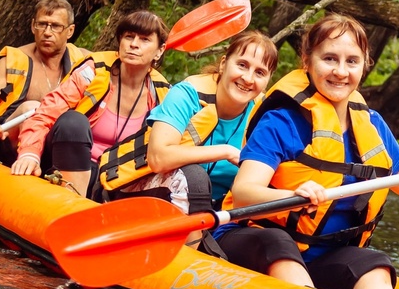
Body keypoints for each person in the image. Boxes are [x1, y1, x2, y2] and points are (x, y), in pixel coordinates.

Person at [213, 14, 399, 289]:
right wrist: (294, 194)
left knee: (373, 263)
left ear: (364, 65)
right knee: (278, 243)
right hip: (257, 241)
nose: (341, 72)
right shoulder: (281, 121)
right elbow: (243, 194)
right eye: (329, 59)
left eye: (351, 61)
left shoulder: (372, 124)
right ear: (307, 61)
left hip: (323, 256)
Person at [97, 31, 278, 214]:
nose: (248, 78)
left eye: (260, 73)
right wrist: (225, 152)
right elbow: (158, 158)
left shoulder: (265, 114)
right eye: (242, 65)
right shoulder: (187, 94)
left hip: (216, 209)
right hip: (141, 187)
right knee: (194, 179)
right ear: (223, 64)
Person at [10, 10, 171, 199]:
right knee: (73, 122)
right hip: (66, 162)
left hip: (116, 178)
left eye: (144, 39)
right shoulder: (93, 72)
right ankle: (69, 201)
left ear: (159, 51)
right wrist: (30, 153)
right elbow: (46, 113)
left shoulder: (163, 94)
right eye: (129, 36)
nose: (134, 44)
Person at [0, 0, 88, 164]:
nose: (47, 32)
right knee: (31, 108)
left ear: (70, 31)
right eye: (42, 24)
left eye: (56, 26)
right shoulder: (11, 61)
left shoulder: (84, 61)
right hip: (6, 144)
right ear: (33, 26)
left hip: (54, 145)